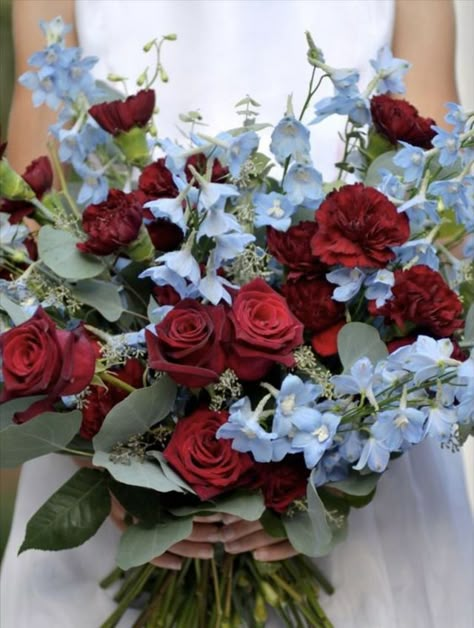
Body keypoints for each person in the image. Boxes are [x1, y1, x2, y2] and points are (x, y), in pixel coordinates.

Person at [1, 1, 473, 626]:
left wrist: (340, 459)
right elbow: (29, 218)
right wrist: (100, 453)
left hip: (353, 437)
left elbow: (441, 218)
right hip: (116, 411)